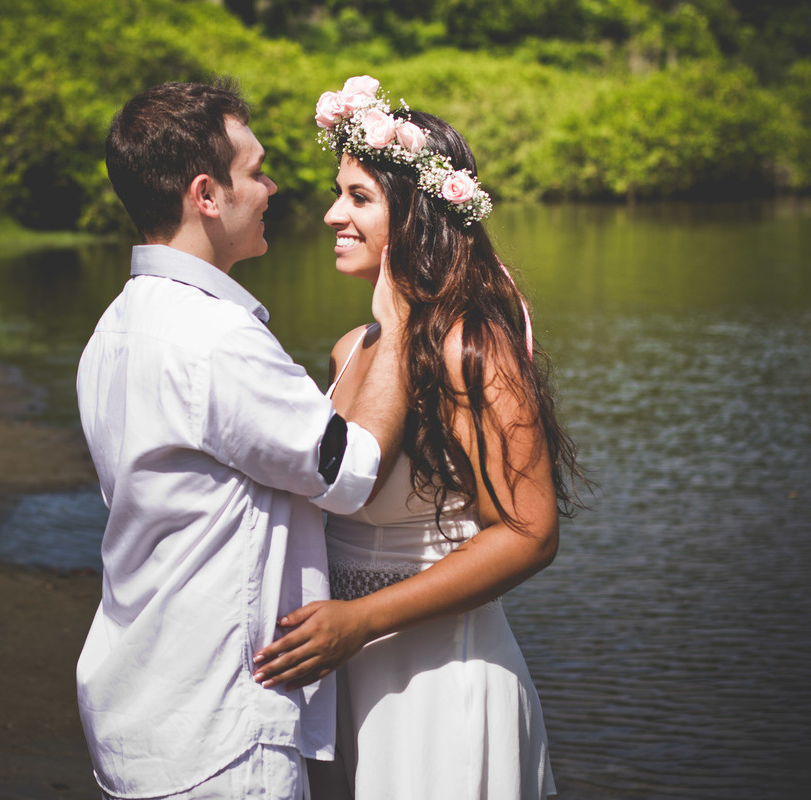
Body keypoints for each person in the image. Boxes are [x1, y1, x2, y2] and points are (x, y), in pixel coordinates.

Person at [75, 79, 410, 800]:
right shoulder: (216, 339)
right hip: (217, 726)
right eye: (256, 172)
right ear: (206, 193)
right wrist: (403, 323)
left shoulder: (113, 328)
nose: (272, 188)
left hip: (138, 705)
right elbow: (351, 470)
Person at [252, 76, 585, 799]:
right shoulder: (349, 350)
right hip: (343, 679)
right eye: (339, 193)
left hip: (443, 680)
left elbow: (530, 534)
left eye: (359, 197)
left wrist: (361, 619)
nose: (333, 214)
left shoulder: (474, 348)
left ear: (416, 214)